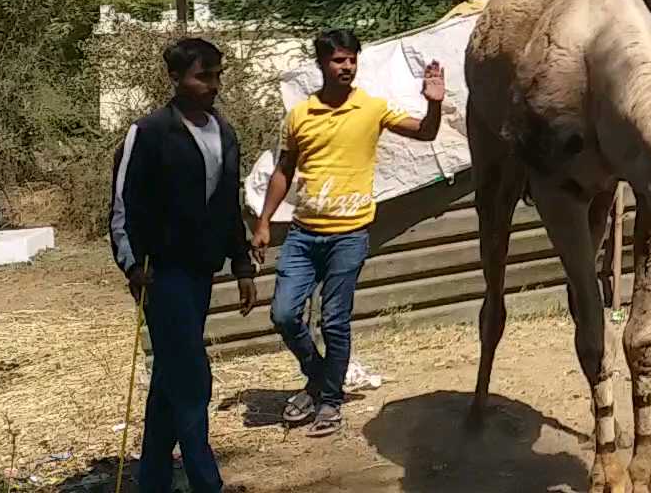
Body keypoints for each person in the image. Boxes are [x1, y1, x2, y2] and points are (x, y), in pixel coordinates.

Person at [254, 29, 445, 436]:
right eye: (339, 60)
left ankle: (330, 402)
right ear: (322, 64)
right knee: (284, 314)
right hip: (303, 234)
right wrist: (264, 220)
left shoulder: (372, 108)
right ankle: (320, 377)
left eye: (352, 60)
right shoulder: (301, 114)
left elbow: (425, 133)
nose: (347, 67)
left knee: (335, 322)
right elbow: (285, 170)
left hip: (349, 234)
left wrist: (434, 106)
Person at [109, 38, 258, 493]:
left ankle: (152, 480)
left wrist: (242, 262)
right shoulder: (150, 132)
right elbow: (121, 206)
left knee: (171, 376)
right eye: (202, 76)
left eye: (216, 75)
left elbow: (228, 205)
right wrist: (132, 266)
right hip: (161, 271)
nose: (212, 85)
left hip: (201, 270)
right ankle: (204, 481)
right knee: (192, 378)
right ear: (175, 79)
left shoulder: (224, 132)